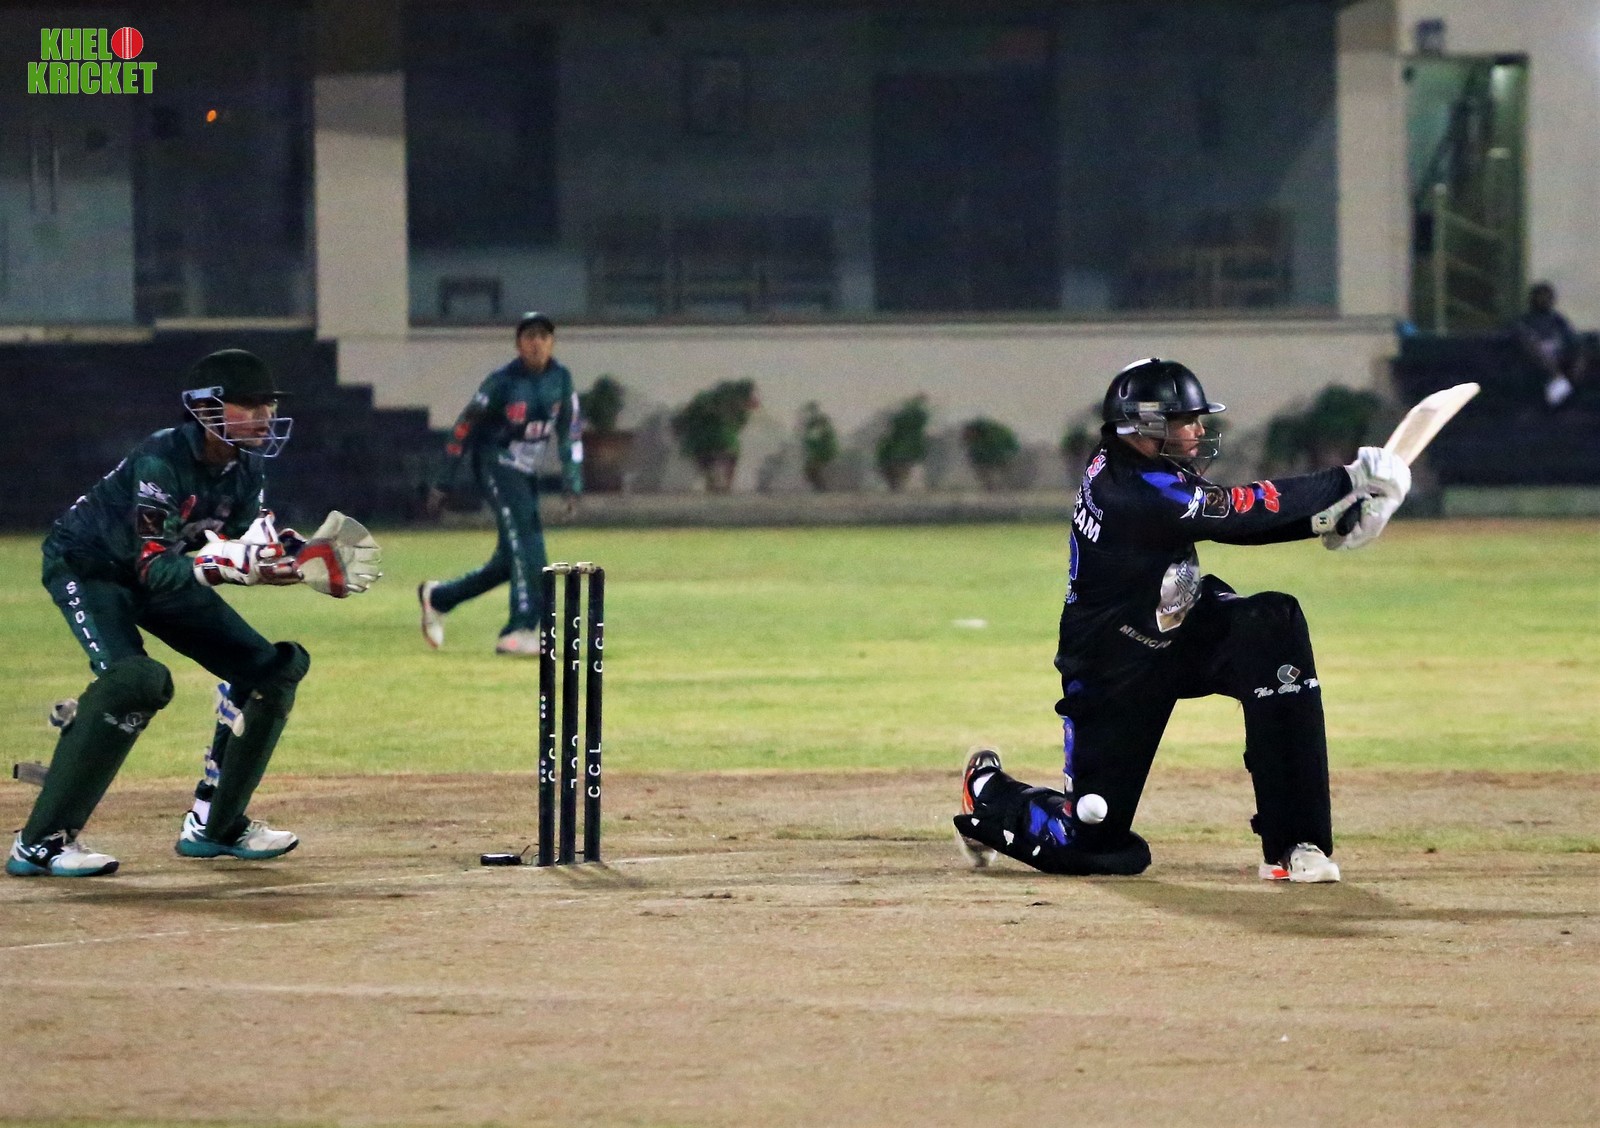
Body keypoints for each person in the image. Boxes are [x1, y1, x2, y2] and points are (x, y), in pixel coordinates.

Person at [953, 358, 1411, 883]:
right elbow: (1233, 510)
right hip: (1114, 662)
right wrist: (1347, 481)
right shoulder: (1132, 489)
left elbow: (1229, 521)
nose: (1196, 431)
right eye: (1183, 421)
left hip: (1184, 625)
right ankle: (987, 792)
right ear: (1143, 424)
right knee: (1093, 845)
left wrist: (1328, 517)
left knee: (1273, 625)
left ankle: (1295, 843)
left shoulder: (1136, 463)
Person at [9, 350, 315, 877]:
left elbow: (245, 538)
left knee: (271, 670)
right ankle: (40, 843)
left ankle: (215, 825)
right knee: (136, 681)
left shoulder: (246, 465)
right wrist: (225, 566)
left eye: (268, 404)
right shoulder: (160, 459)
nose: (265, 415)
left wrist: (300, 558)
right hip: (91, 566)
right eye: (249, 404)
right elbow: (154, 566)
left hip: (157, 571)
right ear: (206, 408)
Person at [420, 312, 583, 656]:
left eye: (543, 336)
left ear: (552, 343)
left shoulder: (561, 379)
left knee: (510, 560)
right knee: (529, 547)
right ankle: (518, 630)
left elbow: (570, 432)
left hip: (525, 473)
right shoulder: (501, 383)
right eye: (529, 337)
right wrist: (444, 481)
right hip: (496, 466)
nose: (537, 343)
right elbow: (464, 427)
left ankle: (439, 598)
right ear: (518, 344)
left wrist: (573, 482)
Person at [1514, 282, 1587, 410]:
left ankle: (1567, 387)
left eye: (1548, 296)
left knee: (1581, 353)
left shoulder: (1558, 320)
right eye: (1541, 296)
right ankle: (1558, 379)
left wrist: (1578, 357)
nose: (1544, 300)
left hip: (1560, 356)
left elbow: (1572, 340)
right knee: (1535, 348)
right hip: (1534, 360)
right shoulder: (1524, 321)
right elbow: (1520, 338)